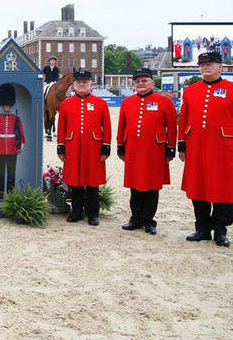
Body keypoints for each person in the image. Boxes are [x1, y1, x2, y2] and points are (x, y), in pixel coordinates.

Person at [178, 51, 233, 247]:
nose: (205, 67)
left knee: (223, 188)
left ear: (221, 67)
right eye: (202, 64)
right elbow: (184, 118)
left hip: (224, 148)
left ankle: (220, 229)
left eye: (210, 63)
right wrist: (182, 144)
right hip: (196, 146)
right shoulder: (191, 90)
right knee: (198, 186)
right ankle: (202, 227)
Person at [117, 68, 177, 235]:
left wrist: (170, 149)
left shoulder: (164, 102)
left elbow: (172, 127)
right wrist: (121, 146)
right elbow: (122, 125)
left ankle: (149, 220)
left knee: (152, 185)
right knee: (134, 185)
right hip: (133, 149)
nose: (141, 84)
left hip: (155, 150)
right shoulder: (127, 102)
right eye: (137, 81)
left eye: (144, 81)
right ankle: (136, 218)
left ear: (152, 83)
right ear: (133, 84)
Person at [57, 69, 111, 225]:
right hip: (72, 146)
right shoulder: (66, 104)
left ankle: (93, 214)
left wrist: (105, 148)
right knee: (75, 182)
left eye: (85, 82)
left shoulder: (101, 103)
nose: (81, 84)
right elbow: (62, 127)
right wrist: (61, 147)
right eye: (78, 82)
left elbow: (106, 127)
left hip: (93, 147)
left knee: (93, 182)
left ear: (90, 84)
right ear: (73, 85)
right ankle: (76, 212)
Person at [0, 84, 25, 201]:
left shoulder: (16, 118)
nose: (7, 106)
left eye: (8, 105)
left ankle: (11, 195)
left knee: (11, 173)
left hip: (12, 147)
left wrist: (21, 146)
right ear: (2, 105)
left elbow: (21, 133)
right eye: (5, 104)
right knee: (0, 173)